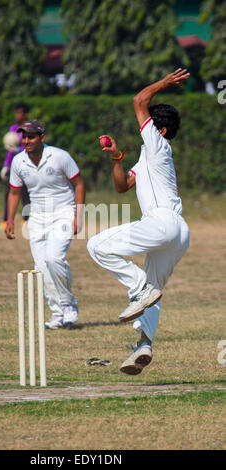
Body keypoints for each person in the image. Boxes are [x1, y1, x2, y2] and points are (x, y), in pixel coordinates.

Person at [87, 69, 191, 375]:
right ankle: (144, 345)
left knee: (96, 245)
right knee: (154, 289)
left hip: (160, 223)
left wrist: (165, 83)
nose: (142, 128)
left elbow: (139, 100)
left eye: (149, 126)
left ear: (159, 130)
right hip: (178, 233)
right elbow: (122, 186)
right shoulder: (149, 155)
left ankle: (138, 289)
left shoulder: (158, 145)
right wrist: (117, 159)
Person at [5, 120, 86, 329]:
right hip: (37, 217)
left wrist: (79, 215)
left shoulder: (60, 156)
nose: (26, 141)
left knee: (53, 258)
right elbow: (14, 192)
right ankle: (57, 314)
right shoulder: (18, 161)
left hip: (63, 212)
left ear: (42, 138)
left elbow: (79, 184)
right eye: (24, 137)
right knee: (41, 267)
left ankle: (69, 305)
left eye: (31, 136)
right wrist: (10, 220)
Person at [0, 102, 30, 229]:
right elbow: (9, 151)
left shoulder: (29, 128)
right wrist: (6, 165)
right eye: (16, 112)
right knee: (9, 193)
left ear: (25, 114)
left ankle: (27, 220)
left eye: (20, 112)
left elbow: (29, 147)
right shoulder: (13, 129)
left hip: (27, 165)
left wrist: (18, 149)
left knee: (25, 194)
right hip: (14, 166)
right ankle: (6, 220)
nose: (17, 115)